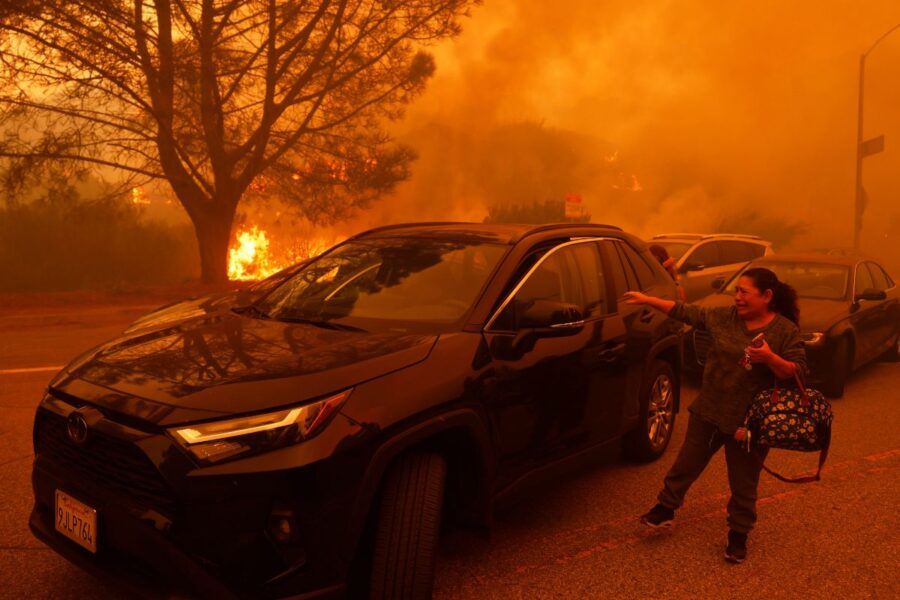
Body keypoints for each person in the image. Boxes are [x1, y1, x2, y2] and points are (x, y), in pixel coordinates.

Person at [624, 267, 807, 563]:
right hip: (709, 411)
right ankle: (665, 509)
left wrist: (770, 358)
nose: (737, 297)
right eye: (736, 291)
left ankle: (738, 535)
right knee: (685, 465)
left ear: (767, 296)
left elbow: (798, 372)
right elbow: (687, 312)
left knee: (743, 483)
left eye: (744, 292)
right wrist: (648, 300)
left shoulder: (785, 330)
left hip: (749, 424)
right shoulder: (724, 317)